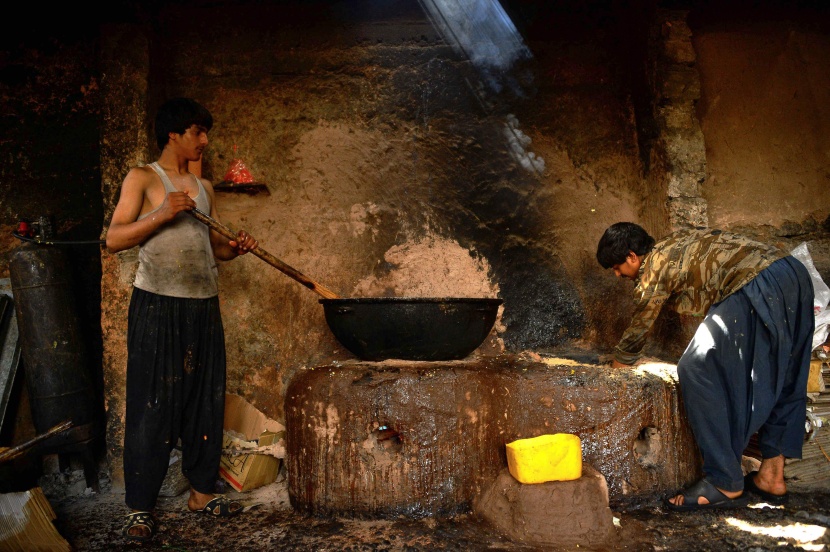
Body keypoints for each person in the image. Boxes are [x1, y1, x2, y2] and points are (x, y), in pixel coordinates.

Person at [106, 97, 258, 541]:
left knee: (203, 401)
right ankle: (139, 506)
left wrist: (237, 247)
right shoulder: (142, 178)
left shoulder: (205, 187)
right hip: (157, 304)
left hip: (202, 305)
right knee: (152, 406)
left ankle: (201, 492)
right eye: (198, 131)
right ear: (174, 133)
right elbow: (113, 239)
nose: (205, 140)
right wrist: (162, 212)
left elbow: (217, 250)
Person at [596, 222, 814, 512]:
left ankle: (724, 481)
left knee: (695, 366)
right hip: (794, 273)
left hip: (756, 280)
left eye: (616, 267)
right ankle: (771, 478)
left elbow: (639, 327)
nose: (617, 274)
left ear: (633, 257)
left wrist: (614, 370)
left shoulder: (655, 264)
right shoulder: (676, 244)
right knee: (784, 375)